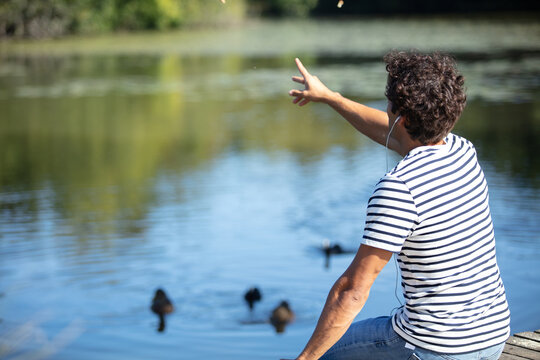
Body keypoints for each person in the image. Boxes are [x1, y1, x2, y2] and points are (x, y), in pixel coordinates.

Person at [284, 51, 510, 360]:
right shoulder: (462, 151)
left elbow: (352, 291)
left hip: (436, 349)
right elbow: (393, 132)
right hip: (493, 336)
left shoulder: (399, 188)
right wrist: (331, 98)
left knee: (328, 351)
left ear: (398, 114)